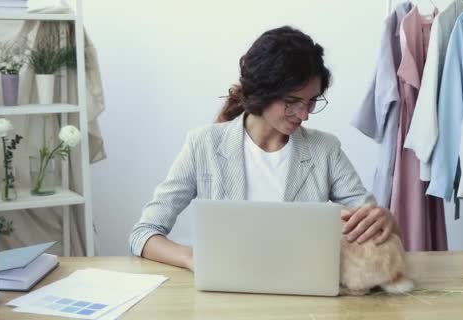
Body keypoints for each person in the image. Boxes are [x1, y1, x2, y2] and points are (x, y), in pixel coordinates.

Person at [129, 26, 401, 271]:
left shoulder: (325, 150)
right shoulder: (204, 145)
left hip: (301, 289)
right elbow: (144, 234)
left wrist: (383, 219)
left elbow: (371, 221)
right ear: (262, 92)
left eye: (312, 101)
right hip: (225, 291)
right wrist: (192, 258)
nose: (304, 114)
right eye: (292, 101)